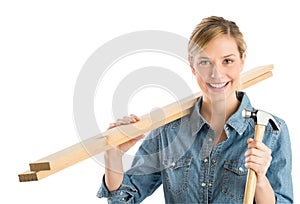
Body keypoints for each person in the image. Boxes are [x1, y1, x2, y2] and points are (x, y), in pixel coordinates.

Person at [97, 16, 293, 203]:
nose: (217, 74)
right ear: (192, 65)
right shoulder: (168, 130)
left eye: (228, 61)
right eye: (205, 62)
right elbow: (124, 199)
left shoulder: (270, 131)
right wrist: (113, 156)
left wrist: (260, 180)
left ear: (242, 60)